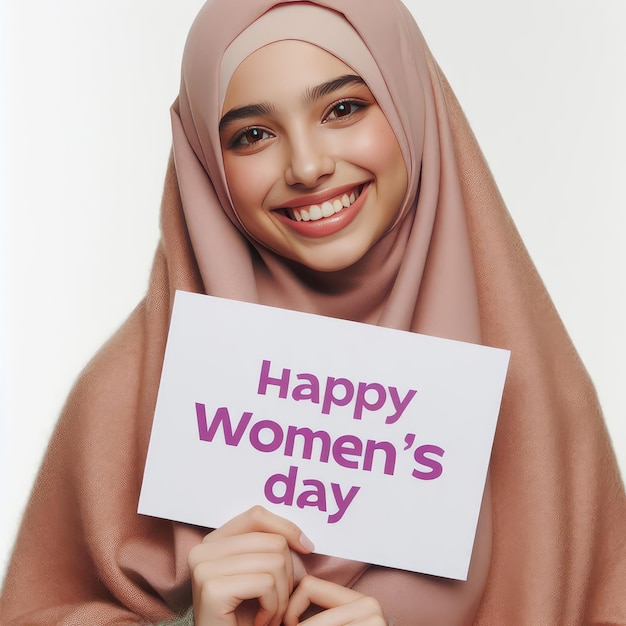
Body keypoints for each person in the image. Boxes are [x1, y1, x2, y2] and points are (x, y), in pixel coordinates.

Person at [1, 0, 625, 624]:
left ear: (411, 104)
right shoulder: (130, 394)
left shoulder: (539, 403)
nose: (307, 166)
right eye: (252, 135)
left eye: (343, 109)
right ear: (207, 164)